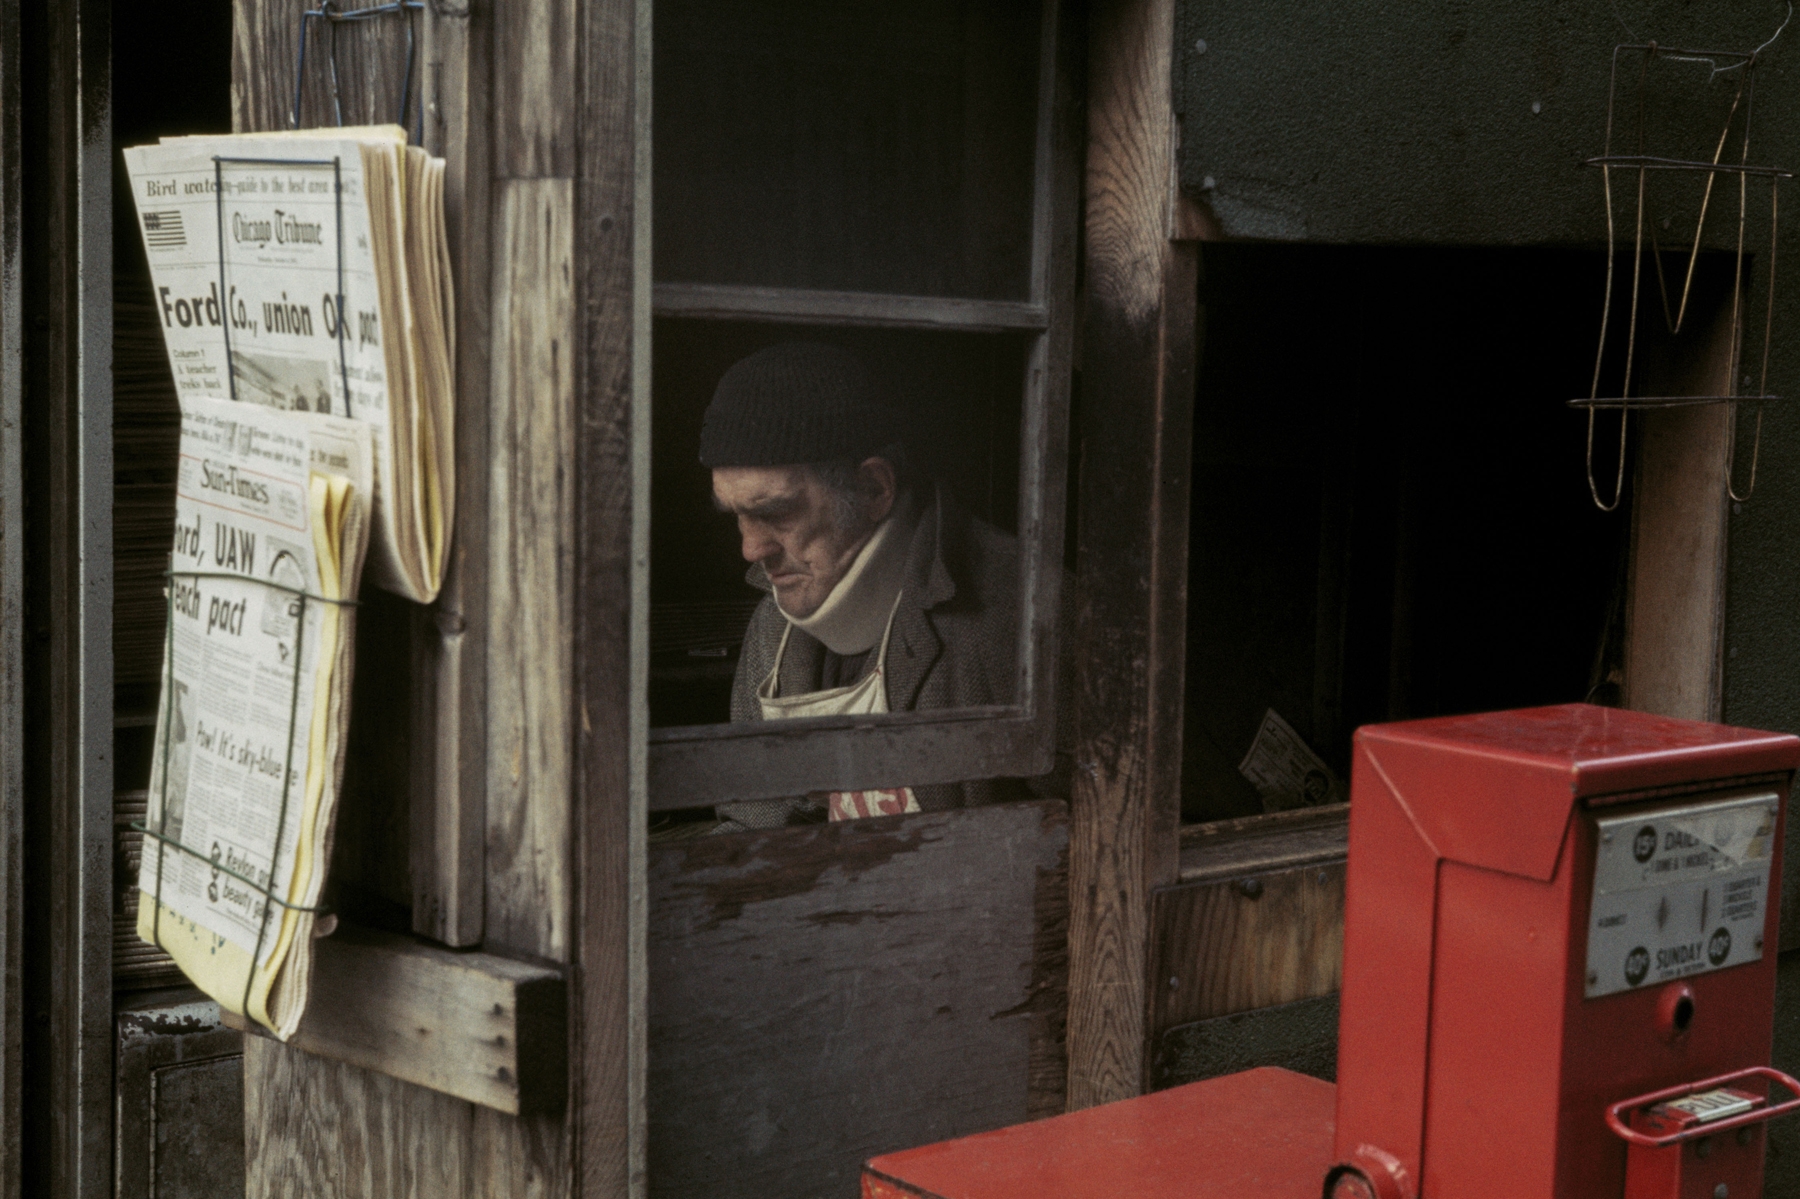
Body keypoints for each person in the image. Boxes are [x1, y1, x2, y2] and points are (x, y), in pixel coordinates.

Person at [700, 340, 1068, 829]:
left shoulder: (1026, 614)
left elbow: (1107, 832)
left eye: (776, 512)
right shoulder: (772, 626)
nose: (750, 549)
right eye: (738, 516)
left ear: (873, 489)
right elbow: (750, 828)